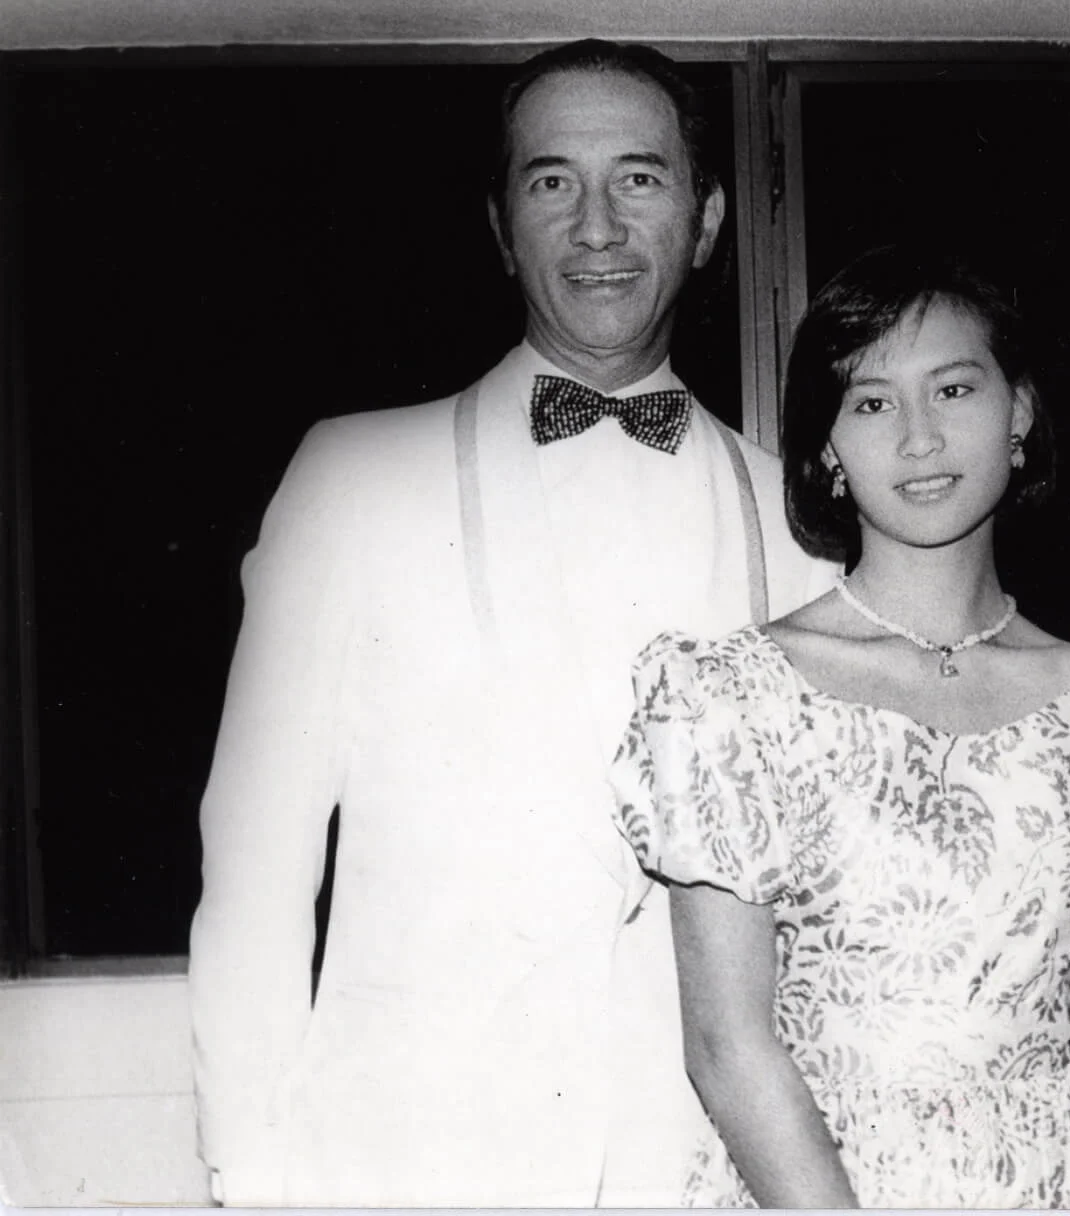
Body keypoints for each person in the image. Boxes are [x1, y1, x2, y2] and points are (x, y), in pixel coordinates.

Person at [184, 40, 840, 1206]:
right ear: (500, 226)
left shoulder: (802, 527)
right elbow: (253, 869)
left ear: (707, 220)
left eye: (639, 177)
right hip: (411, 1165)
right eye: (551, 181)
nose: (597, 225)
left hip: (697, 1172)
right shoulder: (353, 478)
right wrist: (251, 1179)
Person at [609, 246, 1070, 1207]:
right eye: (873, 403)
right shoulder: (731, 699)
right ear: (826, 448)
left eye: (954, 389)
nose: (920, 438)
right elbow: (726, 1044)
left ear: (1019, 413)